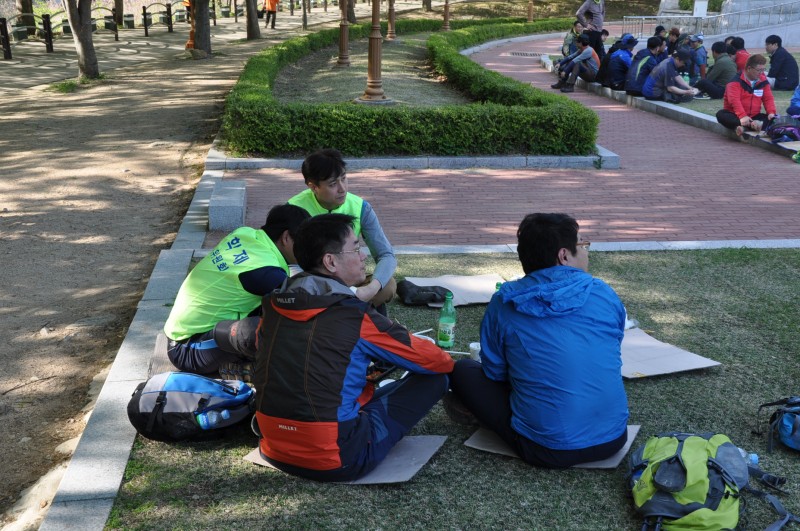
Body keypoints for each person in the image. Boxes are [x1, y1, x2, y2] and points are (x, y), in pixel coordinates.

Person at [252, 214, 454, 482]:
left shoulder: (272, 306)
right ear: (330, 262)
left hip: (273, 447)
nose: (363, 256)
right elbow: (437, 361)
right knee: (436, 379)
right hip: (337, 457)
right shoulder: (352, 314)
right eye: (356, 248)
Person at [448, 213, 629, 468]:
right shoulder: (604, 293)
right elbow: (612, 345)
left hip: (544, 449)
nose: (586, 251)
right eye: (582, 245)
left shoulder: (503, 303)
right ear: (564, 255)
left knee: (463, 370)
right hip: (613, 438)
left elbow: (496, 373)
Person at [163, 204, 310, 375]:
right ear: (286, 237)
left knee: (274, 310)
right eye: (304, 243)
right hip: (188, 349)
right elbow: (305, 305)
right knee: (277, 328)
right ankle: (242, 369)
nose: (306, 251)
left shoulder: (245, 234)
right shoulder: (264, 272)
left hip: (183, 332)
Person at [288, 148, 397, 307]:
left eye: (344, 178)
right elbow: (288, 262)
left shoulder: (361, 207)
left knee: (387, 286)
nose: (342, 188)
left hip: (350, 282)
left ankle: (351, 308)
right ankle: (347, 308)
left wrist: (370, 289)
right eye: (333, 184)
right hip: (311, 284)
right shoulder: (294, 209)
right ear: (313, 186)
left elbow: (386, 255)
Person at [716, 54, 777, 136]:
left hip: (754, 115)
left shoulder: (763, 81)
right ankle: (752, 125)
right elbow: (734, 101)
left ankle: (745, 127)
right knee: (721, 115)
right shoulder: (734, 82)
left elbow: (768, 98)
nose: (761, 73)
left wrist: (771, 112)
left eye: (763, 70)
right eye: (759, 70)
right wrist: (743, 116)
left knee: (773, 119)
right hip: (736, 116)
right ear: (749, 68)